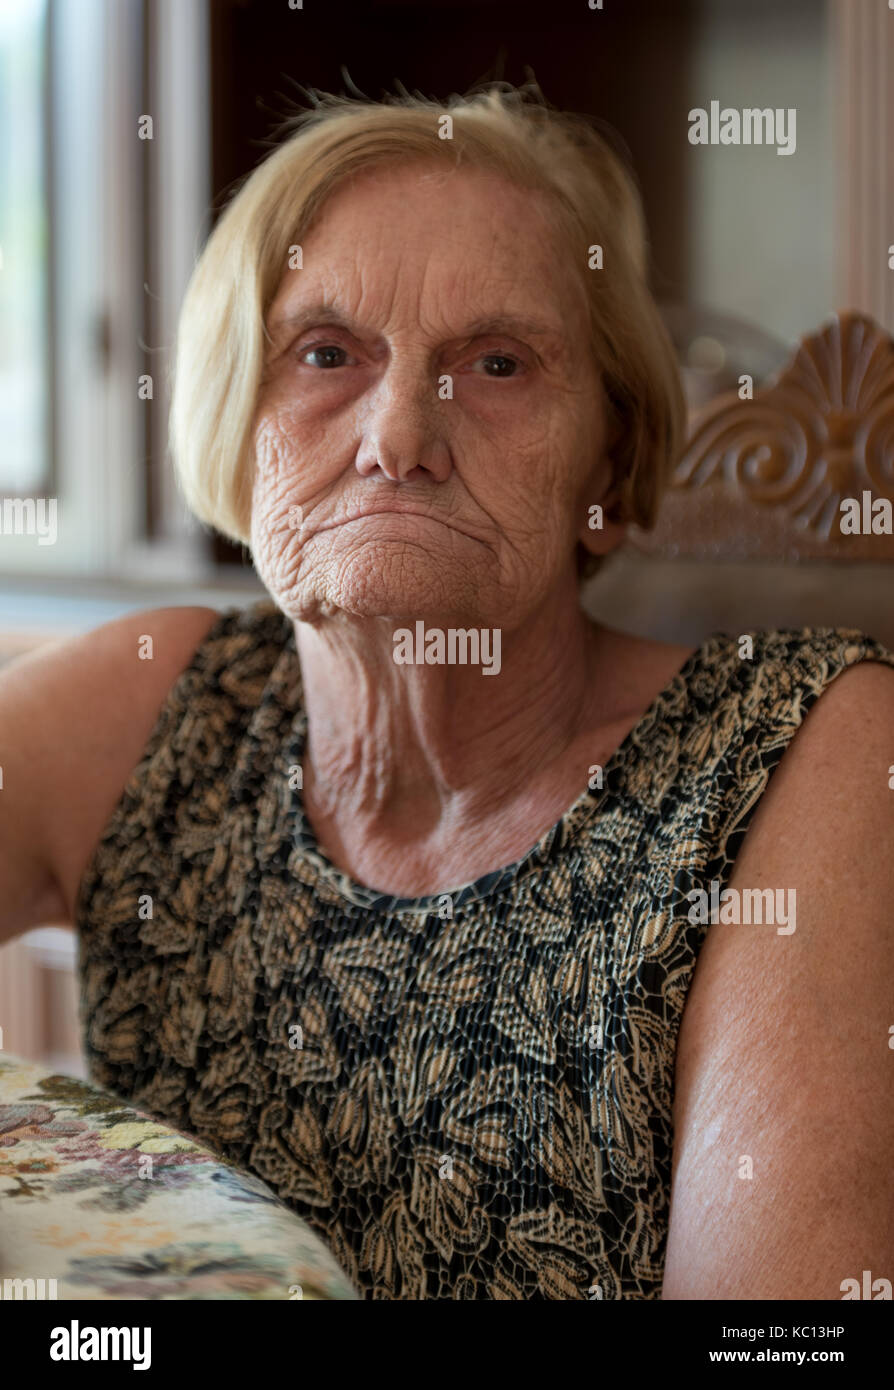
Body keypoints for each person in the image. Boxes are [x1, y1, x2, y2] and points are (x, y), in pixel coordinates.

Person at [2, 85, 893, 1300]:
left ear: (611, 467)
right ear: (230, 412)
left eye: (497, 362)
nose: (399, 434)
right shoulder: (156, 699)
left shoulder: (805, 753)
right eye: (326, 353)